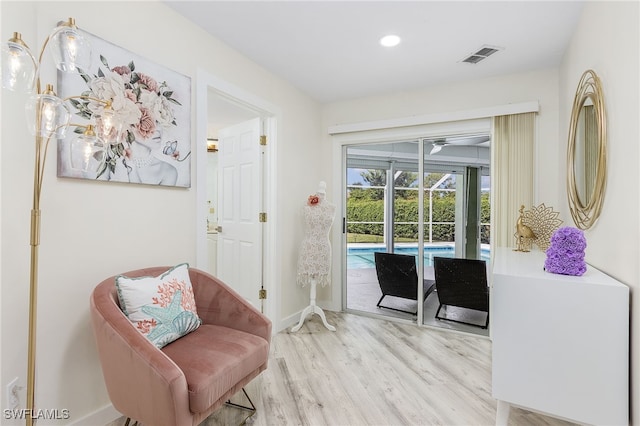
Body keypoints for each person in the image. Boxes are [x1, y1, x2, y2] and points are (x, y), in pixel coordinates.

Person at [296, 181, 336, 287]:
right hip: (308, 246)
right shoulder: (306, 205)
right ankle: (311, 303)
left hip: (324, 247)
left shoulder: (332, 207)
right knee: (307, 274)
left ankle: (314, 303)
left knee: (321, 274)